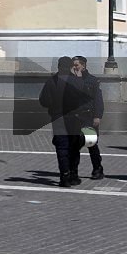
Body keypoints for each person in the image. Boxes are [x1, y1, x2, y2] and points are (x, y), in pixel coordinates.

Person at [39, 56, 87, 187]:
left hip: (58, 117)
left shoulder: (52, 81)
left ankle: (64, 176)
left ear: (58, 67)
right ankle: (74, 175)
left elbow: (43, 101)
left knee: (62, 148)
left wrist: (53, 106)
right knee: (74, 147)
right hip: (74, 118)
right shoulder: (76, 81)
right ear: (71, 66)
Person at [72, 56, 105, 180]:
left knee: (91, 144)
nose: (74, 68)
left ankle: (98, 169)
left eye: (77, 65)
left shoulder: (92, 80)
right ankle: (73, 171)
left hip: (88, 116)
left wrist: (97, 116)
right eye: (73, 65)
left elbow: (98, 100)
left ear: (83, 66)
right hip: (75, 118)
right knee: (74, 145)